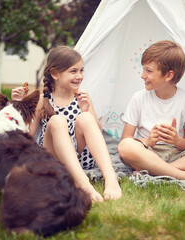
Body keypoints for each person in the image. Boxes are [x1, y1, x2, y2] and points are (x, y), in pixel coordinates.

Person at [12, 46, 121, 202]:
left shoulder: (82, 97)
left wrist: (86, 110)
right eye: (73, 71)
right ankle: (82, 183)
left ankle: (111, 178)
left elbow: (97, 132)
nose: (79, 76)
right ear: (55, 74)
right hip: (52, 159)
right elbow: (26, 135)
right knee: (57, 120)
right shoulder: (42, 100)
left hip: (80, 158)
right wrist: (17, 105)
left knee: (86, 119)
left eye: (81, 70)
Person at [118, 40, 185, 182]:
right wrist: (149, 141)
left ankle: (157, 171)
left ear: (168, 75)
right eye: (143, 69)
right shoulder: (139, 98)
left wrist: (176, 140)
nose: (142, 75)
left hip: (179, 155)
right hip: (148, 154)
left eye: (148, 71)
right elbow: (126, 139)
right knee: (125, 146)